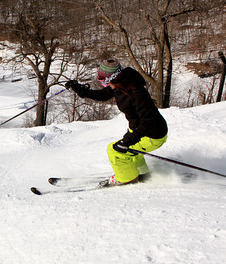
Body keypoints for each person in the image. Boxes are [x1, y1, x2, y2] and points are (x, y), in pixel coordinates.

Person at [65, 58, 168, 187]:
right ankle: (143, 174)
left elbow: (148, 121)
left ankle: (126, 178)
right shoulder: (121, 85)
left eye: (104, 81)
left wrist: (128, 140)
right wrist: (79, 89)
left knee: (115, 151)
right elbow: (102, 95)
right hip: (139, 129)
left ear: (113, 78)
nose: (105, 85)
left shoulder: (136, 93)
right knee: (132, 152)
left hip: (152, 133)